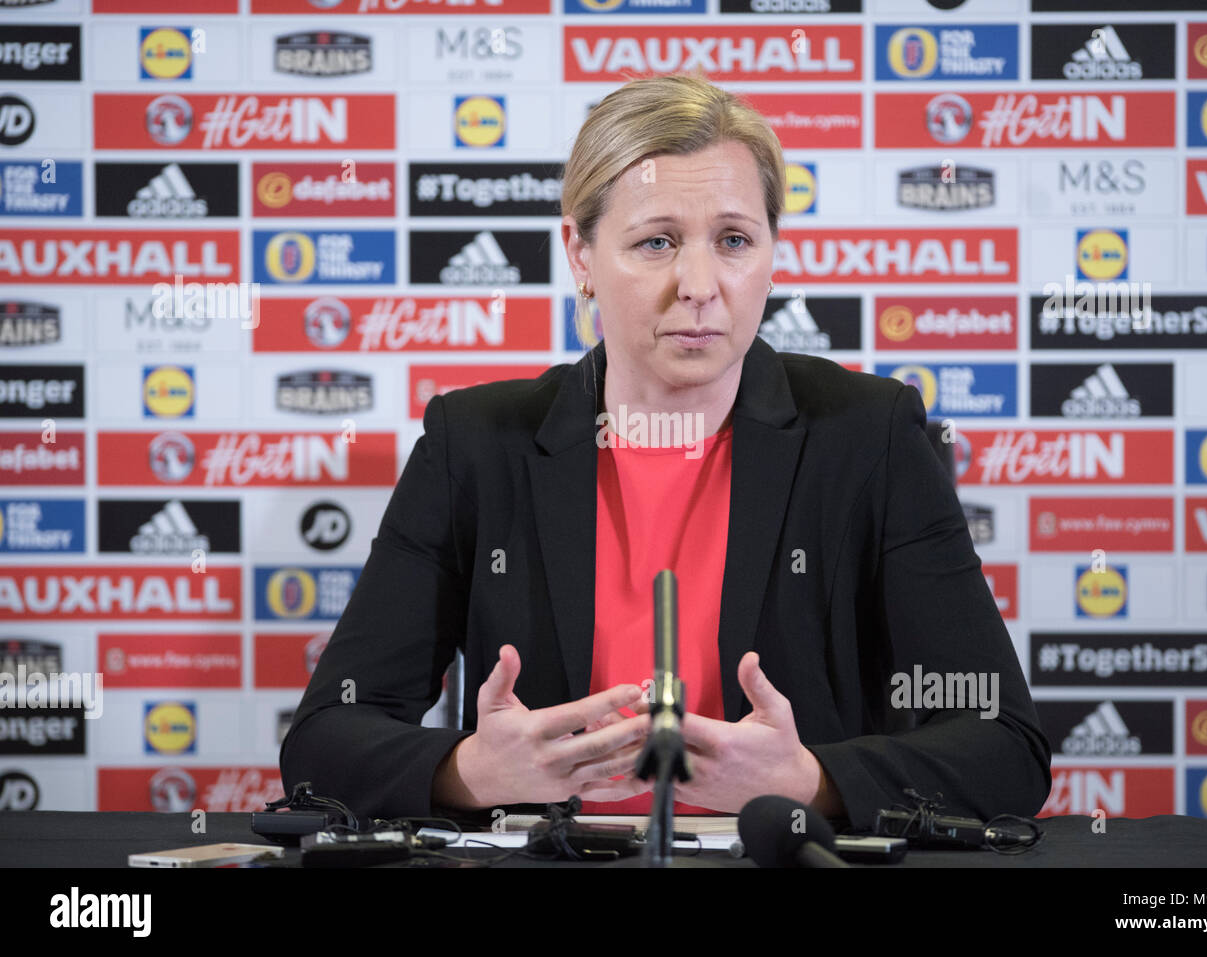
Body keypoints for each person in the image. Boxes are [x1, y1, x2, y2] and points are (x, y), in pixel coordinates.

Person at [279, 72, 1051, 830]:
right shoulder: (474, 443)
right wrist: (472, 772)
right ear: (579, 254)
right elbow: (325, 742)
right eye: (656, 242)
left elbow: (1003, 747)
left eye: (734, 240)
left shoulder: (868, 433)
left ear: (772, 253)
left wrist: (812, 781)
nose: (699, 283)